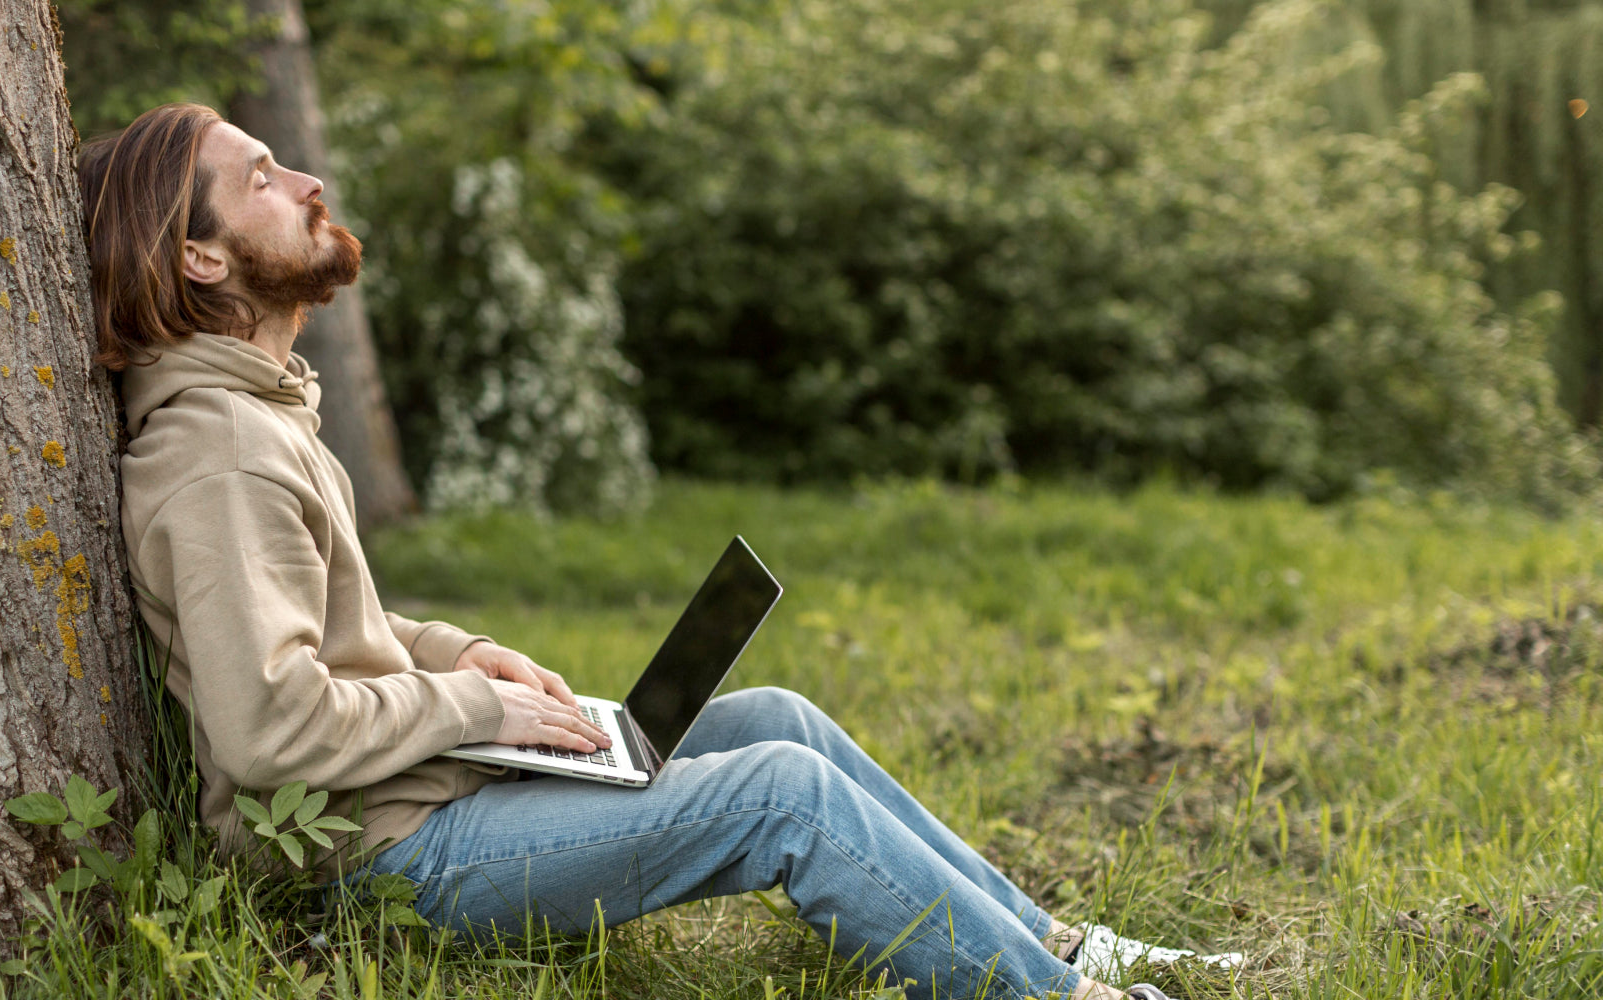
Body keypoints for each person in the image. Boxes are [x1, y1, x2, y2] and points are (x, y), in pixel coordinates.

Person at [78, 102, 1240, 1000]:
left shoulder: (258, 412)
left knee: (772, 718)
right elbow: (269, 726)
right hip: (384, 861)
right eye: (262, 178)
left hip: (419, 793)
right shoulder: (220, 452)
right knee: (776, 796)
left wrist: (470, 652)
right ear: (202, 260)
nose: (306, 181)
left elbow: (334, 629)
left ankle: (1048, 936)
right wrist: (473, 713)